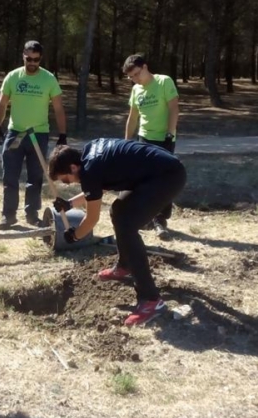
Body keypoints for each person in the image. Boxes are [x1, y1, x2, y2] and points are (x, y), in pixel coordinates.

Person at [48, 138, 186, 326]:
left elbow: (92, 219)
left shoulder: (89, 172)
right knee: (119, 211)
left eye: (65, 179)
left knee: (127, 225)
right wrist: (70, 203)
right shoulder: (89, 152)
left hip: (167, 177)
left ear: (73, 168)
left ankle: (151, 300)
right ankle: (125, 265)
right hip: (160, 171)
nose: (68, 183)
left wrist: (74, 236)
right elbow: (97, 188)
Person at [0, 40, 67, 229]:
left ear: (40, 58)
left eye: (36, 59)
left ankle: (32, 215)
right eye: (29, 59)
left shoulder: (49, 79)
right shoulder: (13, 77)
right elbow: (2, 104)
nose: (32, 62)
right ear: (23, 56)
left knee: (35, 177)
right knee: (10, 177)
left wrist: (62, 134)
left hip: (38, 134)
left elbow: (58, 108)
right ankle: (8, 216)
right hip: (16, 133)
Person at [122, 54, 180, 239]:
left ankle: (160, 221)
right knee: (143, 179)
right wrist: (126, 142)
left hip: (164, 138)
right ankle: (146, 216)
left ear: (145, 67)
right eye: (131, 77)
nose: (135, 79)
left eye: (137, 74)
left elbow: (173, 108)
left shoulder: (164, 82)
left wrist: (170, 133)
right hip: (144, 139)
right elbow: (133, 118)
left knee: (164, 180)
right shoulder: (136, 90)